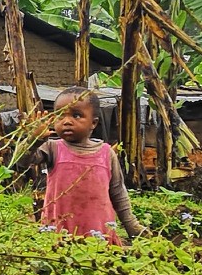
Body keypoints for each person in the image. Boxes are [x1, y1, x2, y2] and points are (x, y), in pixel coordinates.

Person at [33, 87, 142, 243]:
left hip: (98, 237)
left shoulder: (106, 153)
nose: (67, 121)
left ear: (94, 123)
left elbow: (118, 193)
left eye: (76, 115)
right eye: (60, 115)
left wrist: (132, 226)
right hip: (59, 235)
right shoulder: (52, 148)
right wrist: (34, 140)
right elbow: (23, 162)